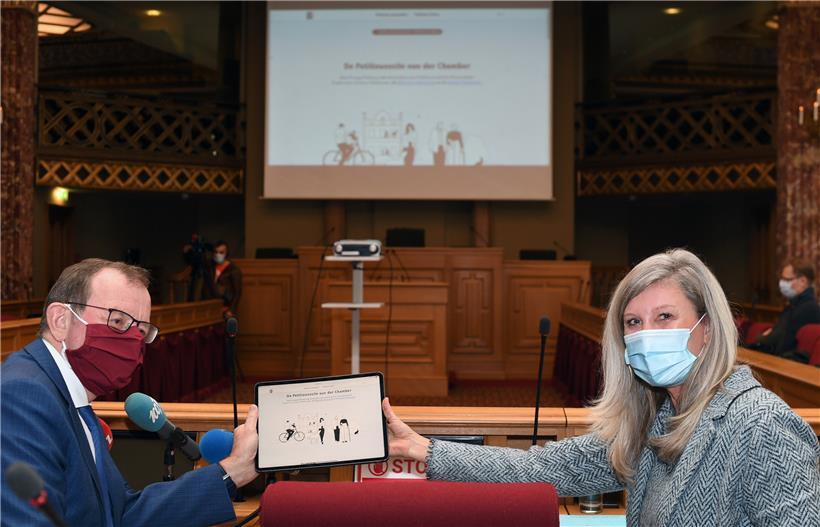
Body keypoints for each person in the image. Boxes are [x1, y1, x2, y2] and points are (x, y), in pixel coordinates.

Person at [383, 249, 819, 526]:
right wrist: (424, 449)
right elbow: (538, 469)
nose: (646, 333)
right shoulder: (655, 422)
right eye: (634, 323)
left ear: (707, 329)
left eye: (665, 317)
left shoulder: (762, 425)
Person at [1, 259, 259, 527]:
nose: (132, 340)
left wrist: (233, 471)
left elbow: (122, 514)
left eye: (141, 330)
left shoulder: (71, 399)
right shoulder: (22, 396)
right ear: (60, 320)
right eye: (118, 320)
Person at [752, 259, 820, 361]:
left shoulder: (808, 309)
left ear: (803, 281)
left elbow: (784, 345)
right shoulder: (793, 305)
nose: (781, 283)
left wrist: (763, 339)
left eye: (787, 280)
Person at [203, 240, 243, 318]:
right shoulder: (210, 266)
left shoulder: (234, 270)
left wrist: (231, 310)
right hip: (210, 306)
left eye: (221, 252)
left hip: (225, 306)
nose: (218, 254)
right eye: (216, 252)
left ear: (226, 253)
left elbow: (237, 292)